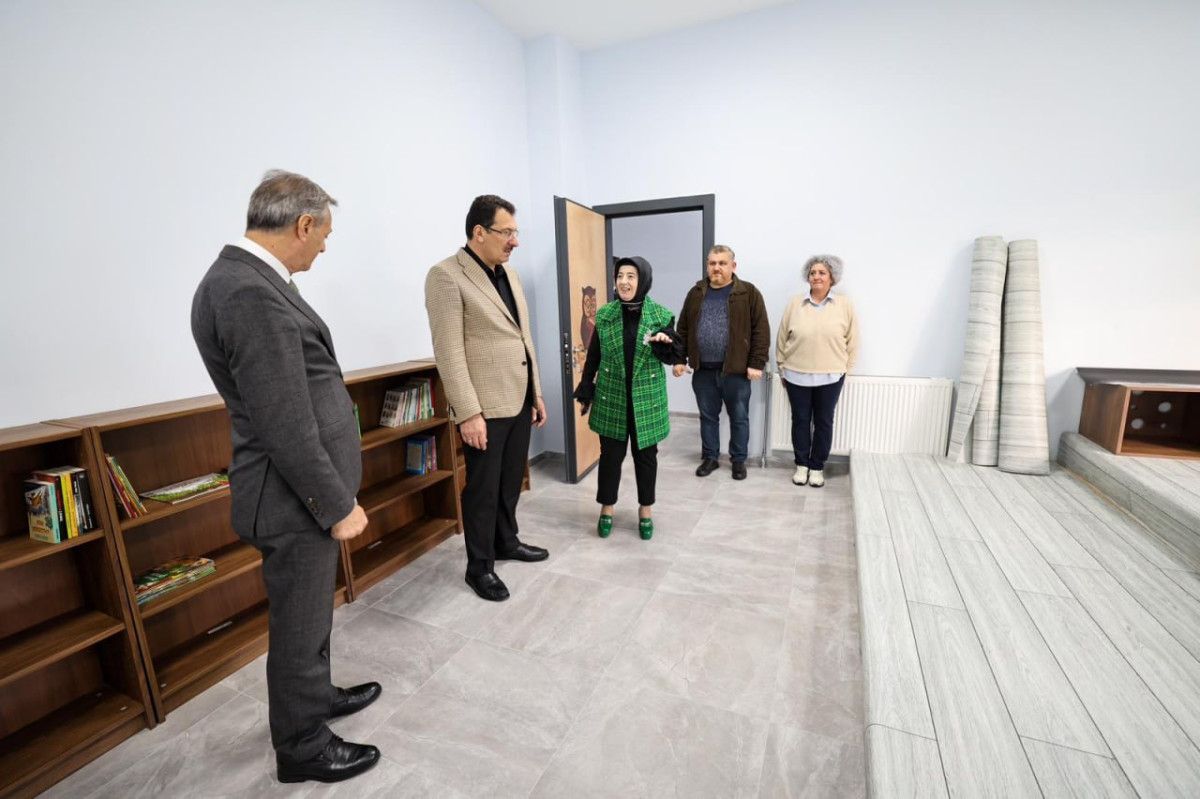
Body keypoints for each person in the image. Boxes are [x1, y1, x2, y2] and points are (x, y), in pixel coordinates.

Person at [190, 170, 380, 784]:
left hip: (296, 496)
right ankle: (302, 748)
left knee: (310, 615)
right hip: (291, 498)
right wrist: (336, 504)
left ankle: (314, 697)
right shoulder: (247, 292)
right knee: (298, 625)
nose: (324, 247)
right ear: (303, 224)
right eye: (323, 234)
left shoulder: (247, 281)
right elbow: (284, 422)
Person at [425, 195, 549, 602]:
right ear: (479, 232)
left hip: (518, 397)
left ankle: (506, 542)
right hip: (484, 406)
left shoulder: (508, 274)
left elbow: (523, 337)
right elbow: (449, 352)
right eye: (506, 232)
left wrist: (536, 392)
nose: (515, 241)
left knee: (511, 481)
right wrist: (468, 414)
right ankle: (479, 566)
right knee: (482, 489)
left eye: (516, 232)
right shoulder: (446, 276)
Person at [574, 257, 683, 540]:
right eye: (620, 276)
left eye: (630, 276)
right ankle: (606, 509)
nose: (624, 281)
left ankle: (645, 510)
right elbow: (594, 356)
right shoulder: (605, 314)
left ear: (642, 280)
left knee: (646, 458)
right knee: (610, 457)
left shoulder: (661, 315)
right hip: (612, 397)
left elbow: (673, 356)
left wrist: (665, 342)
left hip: (647, 400)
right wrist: (586, 387)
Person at [673, 245, 770, 480]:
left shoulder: (748, 293)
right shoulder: (696, 292)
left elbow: (761, 330)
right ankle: (710, 458)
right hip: (703, 371)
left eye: (722, 263)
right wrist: (679, 358)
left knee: (739, 418)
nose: (716, 267)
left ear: (733, 266)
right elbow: (683, 328)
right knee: (708, 417)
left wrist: (756, 363)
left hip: (736, 372)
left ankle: (738, 461)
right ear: (707, 266)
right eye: (712, 263)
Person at [775, 254, 859, 487]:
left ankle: (817, 467)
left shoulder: (844, 304)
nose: (816, 276)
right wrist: (781, 367)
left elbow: (853, 340)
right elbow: (782, 337)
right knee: (800, 420)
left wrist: (846, 370)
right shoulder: (795, 303)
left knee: (823, 422)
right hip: (795, 373)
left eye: (822, 272)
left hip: (831, 375)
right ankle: (802, 465)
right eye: (812, 273)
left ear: (832, 277)